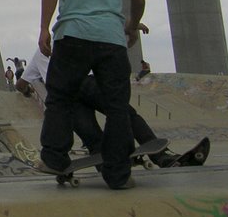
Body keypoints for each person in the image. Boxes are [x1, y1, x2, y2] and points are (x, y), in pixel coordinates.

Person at [37, 0, 146, 190]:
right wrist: (132, 26)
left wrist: (44, 28)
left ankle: (54, 158)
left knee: (60, 98)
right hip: (111, 39)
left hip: (72, 35)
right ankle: (118, 175)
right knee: (117, 107)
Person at [17, 44, 181, 167]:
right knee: (125, 114)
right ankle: (161, 157)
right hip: (88, 84)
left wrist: (27, 91)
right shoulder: (72, 39)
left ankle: (107, 170)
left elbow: (20, 84)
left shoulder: (39, 53)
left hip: (66, 95)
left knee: (92, 138)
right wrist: (130, 26)